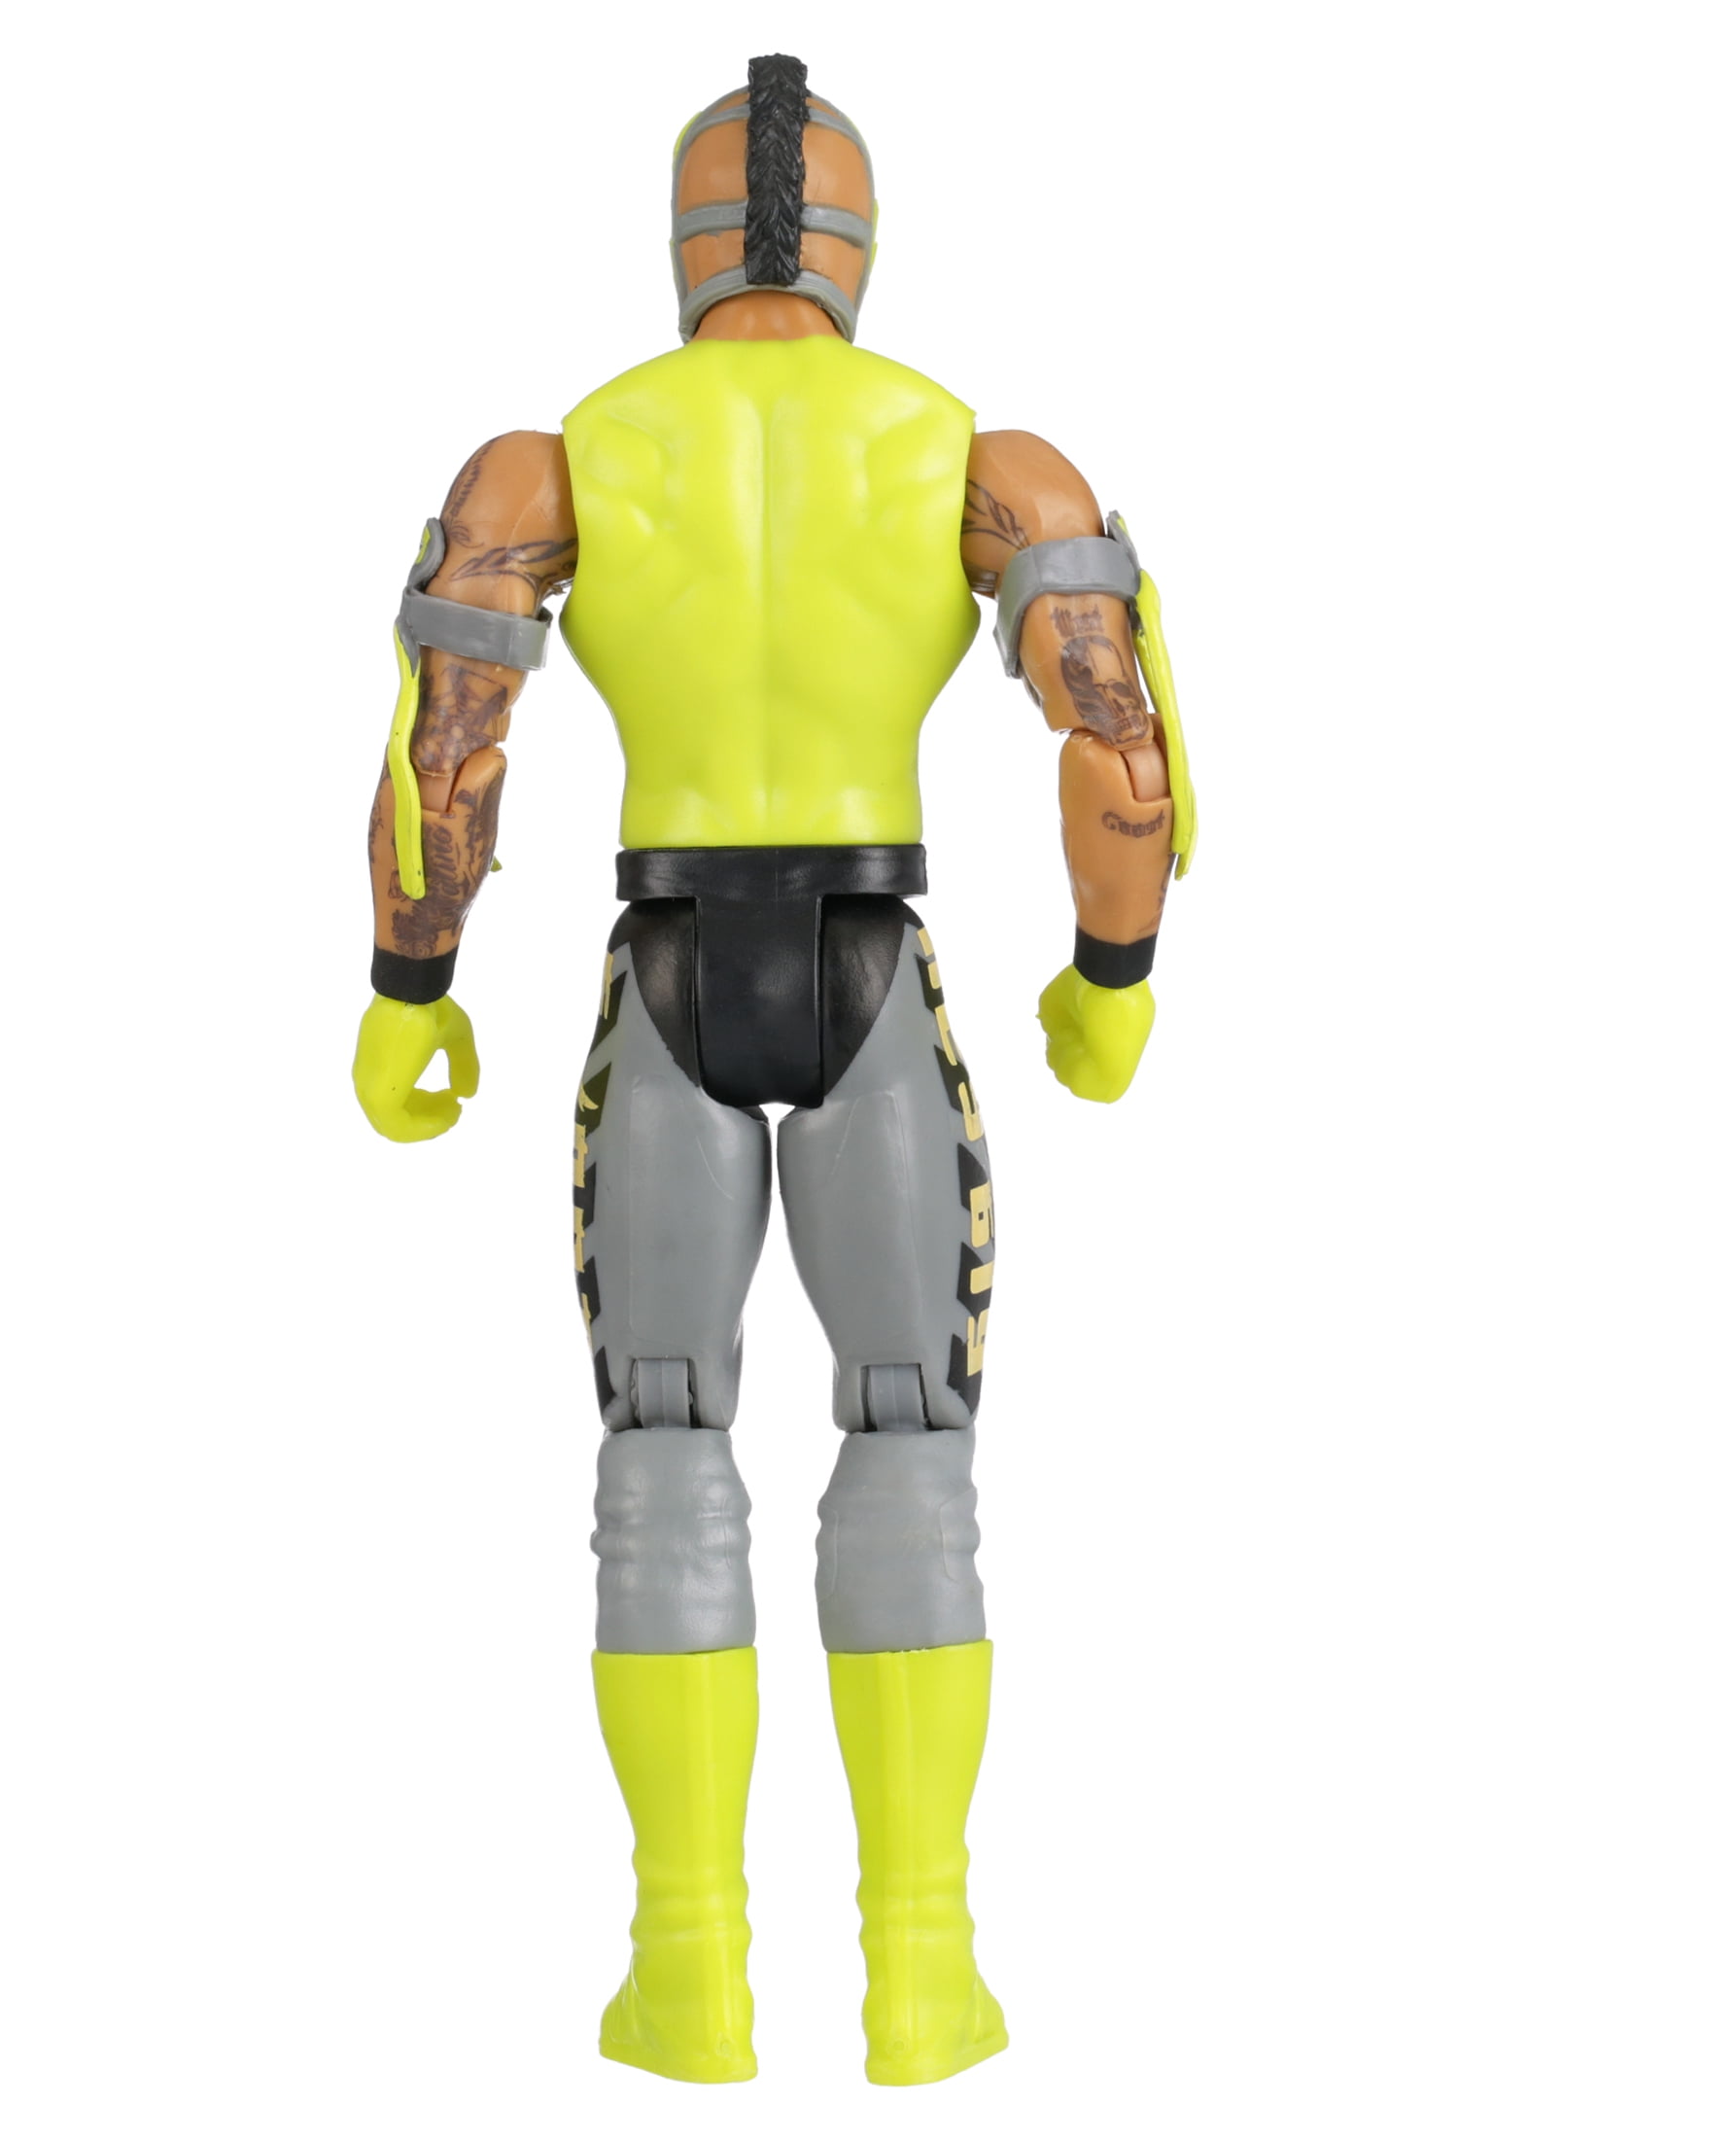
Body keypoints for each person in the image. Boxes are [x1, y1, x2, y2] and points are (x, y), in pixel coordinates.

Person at [350, 53, 1196, 2086]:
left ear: (681, 246)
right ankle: (923, 1974)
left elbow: (449, 746)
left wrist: (405, 987)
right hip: (870, 962)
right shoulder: (972, 456)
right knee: (912, 1439)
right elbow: (1121, 749)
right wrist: (1111, 977)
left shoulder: (560, 459)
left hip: (663, 965)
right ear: (859, 248)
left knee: (659, 1450)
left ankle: (689, 1976)